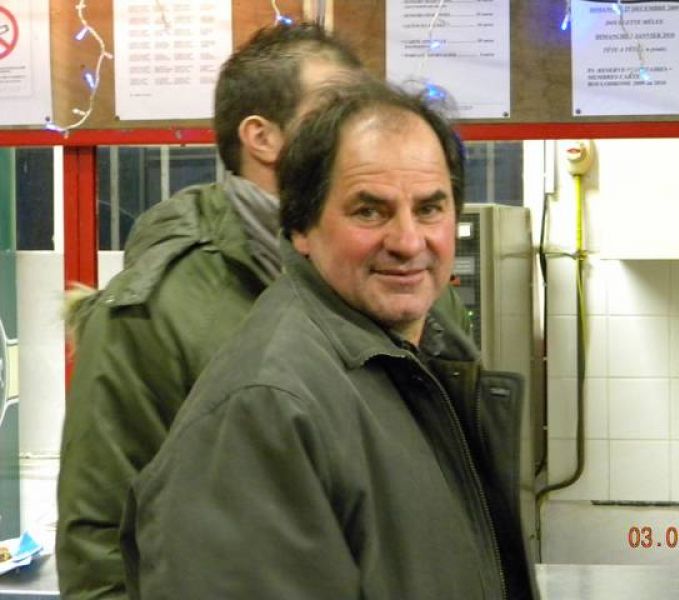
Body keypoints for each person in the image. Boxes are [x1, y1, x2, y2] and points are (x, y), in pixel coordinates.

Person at [121, 79, 533, 599]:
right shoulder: (266, 409)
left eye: (430, 208)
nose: (408, 241)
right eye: (369, 211)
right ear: (301, 228)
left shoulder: (422, 362)